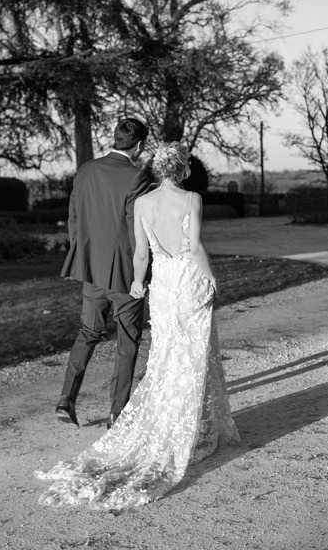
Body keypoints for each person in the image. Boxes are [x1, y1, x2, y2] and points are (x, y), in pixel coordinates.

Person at [36, 141, 239, 509]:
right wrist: (212, 279)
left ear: (158, 168)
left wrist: (137, 282)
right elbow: (194, 247)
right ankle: (195, 426)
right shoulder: (191, 199)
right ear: (182, 169)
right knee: (194, 353)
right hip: (186, 281)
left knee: (164, 354)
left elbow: (141, 252)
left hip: (160, 283)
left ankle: (168, 423)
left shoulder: (143, 202)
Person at [55, 117, 152, 429]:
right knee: (128, 341)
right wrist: (142, 274)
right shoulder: (138, 177)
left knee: (88, 333)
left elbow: (73, 217)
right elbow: (136, 229)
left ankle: (65, 401)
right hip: (125, 273)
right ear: (140, 145)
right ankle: (117, 413)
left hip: (92, 270)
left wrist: (83, 253)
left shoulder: (86, 170)